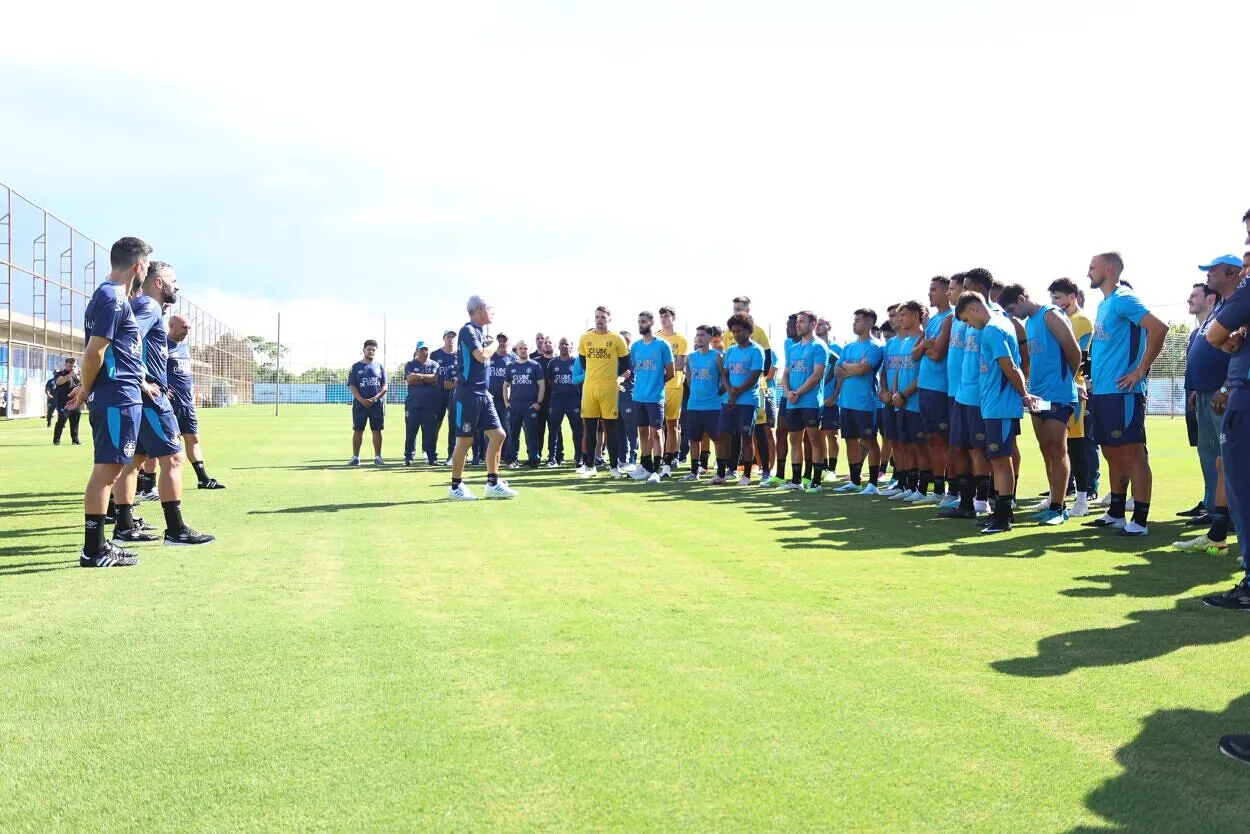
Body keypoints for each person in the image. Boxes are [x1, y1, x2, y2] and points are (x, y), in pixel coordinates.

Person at [106, 261, 215, 548]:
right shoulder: (150, 306)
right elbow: (126, 340)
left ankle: (124, 526)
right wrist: (142, 381)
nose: (176, 286)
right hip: (151, 397)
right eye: (172, 280)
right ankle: (176, 530)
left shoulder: (147, 307)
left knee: (134, 462)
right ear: (157, 282)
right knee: (174, 459)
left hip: (142, 396)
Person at [69, 237, 153, 567]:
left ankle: (99, 546)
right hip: (117, 397)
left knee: (113, 469)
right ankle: (94, 550)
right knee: (107, 471)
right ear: (138, 266)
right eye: (146, 264)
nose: (146, 269)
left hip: (121, 396)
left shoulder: (110, 296)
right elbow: (93, 353)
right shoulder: (114, 298)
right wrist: (87, 389)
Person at [1084, 252, 1168, 536]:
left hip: (1124, 394)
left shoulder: (1124, 298)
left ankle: (1140, 521)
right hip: (1103, 393)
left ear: (1108, 269)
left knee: (1133, 454)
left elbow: (1159, 327)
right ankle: (1116, 513)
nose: (1088, 273)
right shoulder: (1105, 304)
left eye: (1092, 267)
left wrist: (1140, 370)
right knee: (1110, 451)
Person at [999, 284, 1081, 524]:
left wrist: (1068, 380)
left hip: (1058, 395)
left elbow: (1073, 349)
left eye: (1014, 308)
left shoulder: (1050, 314)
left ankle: (1059, 506)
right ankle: (1053, 501)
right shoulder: (1030, 323)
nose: (1014, 315)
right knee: (1046, 448)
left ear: (1023, 298)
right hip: (1038, 396)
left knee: (1058, 448)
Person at [956, 291, 1026, 534]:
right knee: (997, 460)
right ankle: (1001, 513)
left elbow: (1009, 365)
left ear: (974, 309)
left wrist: (1025, 394)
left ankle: (1003, 518)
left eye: (967, 319)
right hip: (993, 405)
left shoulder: (993, 329)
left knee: (1000, 461)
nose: (968, 325)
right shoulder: (998, 325)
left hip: (1001, 405)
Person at [1186, 261, 1241, 524]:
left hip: (1225, 396)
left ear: (1231, 272)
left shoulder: (1238, 307)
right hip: (1206, 394)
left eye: (1213, 270)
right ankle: (1213, 509)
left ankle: (1228, 514)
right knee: (1208, 453)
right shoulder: (1220, 309)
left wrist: (1224, 387)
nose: (1208, 274)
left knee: (1226, 455)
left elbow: (1239, 353)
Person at [448, 295, 515, 499]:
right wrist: (495, 344)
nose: (493, 312)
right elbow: (481, 355)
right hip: (468, 392)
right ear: (479, 310)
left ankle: (492, 483)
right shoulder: (467, 330)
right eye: (490, 308)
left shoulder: (477, 332)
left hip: (483, 393)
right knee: (465, 441)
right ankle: (455, 487)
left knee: (498, 435)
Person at [1046, 279, 1092, 515]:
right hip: (1057, 389)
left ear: (1073, 296)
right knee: (1055, 445)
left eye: (1060, 298)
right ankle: (1057, 495)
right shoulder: (1059, 318)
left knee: (1075, 445)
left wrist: (1075, 383)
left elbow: (1076, 355)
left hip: (1075, 389)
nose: (1056, 303)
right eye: (1053, 298)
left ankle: (1082, 500)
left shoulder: (1080, 321)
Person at [165, 313, 225, 489]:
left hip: (187, 403)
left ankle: (203, 479)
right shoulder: (162, 345)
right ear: (172, 325)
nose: (187, 330)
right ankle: (145, 485)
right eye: (184, 327)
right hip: (170, 404)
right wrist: (162, 387)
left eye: (189, 328)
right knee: (163, 444)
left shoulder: (185, 348)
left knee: (193, 438)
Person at [832, 309, 885, 494]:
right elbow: (837, 370)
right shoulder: (848, 347)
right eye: (854, 320)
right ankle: (855, 481)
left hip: (865, 403)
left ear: (870, 322)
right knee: (851, 441)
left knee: (869, 441)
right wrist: (853, 367)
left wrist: (851, 367)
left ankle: (873, 484)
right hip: (846, 402)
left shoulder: (875, 346)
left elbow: (865, 369)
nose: (854, 324)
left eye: (858, 321)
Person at [577, 306, 630, 478]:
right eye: (597, 317)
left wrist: (614, 379)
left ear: (609, 319)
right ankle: (590, 466)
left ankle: (614, 467)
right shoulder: (585, 338)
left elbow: (625, 365)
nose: (599, 320)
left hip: (609, 389)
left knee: (610, 429)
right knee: (590, 428)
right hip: (590, 387)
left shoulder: (617, 339)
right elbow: (583, 361)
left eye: (603, 317)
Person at [916, 276, 953, 505]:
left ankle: (950, 488)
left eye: (933, 290)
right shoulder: (931, 322)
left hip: (940, 388)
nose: (929, 294)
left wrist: (928, 347)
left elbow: (937, 354)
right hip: (925, 388)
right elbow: (917, 351)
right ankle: (937, 487)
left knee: (944, 441)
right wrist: (927, 344)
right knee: (932, 440)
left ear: (946, 292)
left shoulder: (949, 318)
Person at [781, 311, 827, 492]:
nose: (797, 325)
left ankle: (816, 481)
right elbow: (785, 374)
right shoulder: (793, 348)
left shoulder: (819, 347)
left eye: (802, 321)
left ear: (813, 324)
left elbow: (817, 375)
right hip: (793, 401)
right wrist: (787, 392)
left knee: (814, 440)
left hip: (810, 402)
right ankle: (796, 480)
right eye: (797, 322)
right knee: (794, 440)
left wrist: (798, 392)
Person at [627, 312, 675, 482]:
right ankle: (645, 466)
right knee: (643, 433)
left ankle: (656, 469)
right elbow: (633, 369)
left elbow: (671, 371)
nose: (640, 324)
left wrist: (656, 384)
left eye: (644, 321)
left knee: (656, 433)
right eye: (639, 321)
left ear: (652, 323)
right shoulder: (635, 347)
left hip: (655, 398)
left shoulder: (662, 345)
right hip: (638, 396)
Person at [718, 313, 765, 486]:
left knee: (746, 437)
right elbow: (725, 374)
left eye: (739, 331)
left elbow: (754, 376)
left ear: (748, 330)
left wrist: (736, 391)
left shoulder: (756, 350)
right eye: (733, 332)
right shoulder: (730, 351)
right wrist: (730, 391)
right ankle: (721, 474)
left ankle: (746, 475)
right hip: (728, 401)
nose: (736, 335)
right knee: (723, 436)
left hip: (746, 402)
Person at [682, 325, 722, 482]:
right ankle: (694, 471)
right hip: (694, 405)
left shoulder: (717, 357)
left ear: (710, 338)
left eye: (702, 335)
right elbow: (690, 381)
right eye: (697, 335)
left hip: (713, 406)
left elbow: (724, 379)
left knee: (717, 439)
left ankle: (720, 471)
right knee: (693, 439)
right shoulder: (690, 358)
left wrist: (716, 394)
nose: (699, 338)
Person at [505, 340, 546, 467]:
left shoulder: (535, 366)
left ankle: (534, 458)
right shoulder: (511, 366)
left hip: (530, 404)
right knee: (513, 433)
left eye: (525, 348)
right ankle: (513, 459)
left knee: (532, 433)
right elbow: (506, 385)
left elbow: (542, 385)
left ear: (529, 349)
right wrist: (506, 401)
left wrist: (538, 402)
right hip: (515, 405)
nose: (523, 350)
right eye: (520, 348)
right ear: (517, 350)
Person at [657, 306, 688, 477]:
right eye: (661, 316)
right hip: (658, 387)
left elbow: (680, 364)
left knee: (672, 424)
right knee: (656, 425)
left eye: (666, 316)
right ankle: (660, 457)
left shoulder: (681, 339)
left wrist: (662, 368)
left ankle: (673, 455)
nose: (663, 319)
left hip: (675, 385)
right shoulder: (656, 337)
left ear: (673, 318)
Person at [348, 339, 387, 466]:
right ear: (363, 350)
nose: (371, 351)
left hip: (376, 404)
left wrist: (375, 399)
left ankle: (378, 457)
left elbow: (385, 386)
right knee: (358, 430)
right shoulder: (356, 366)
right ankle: (355, 457)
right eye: (369, 349)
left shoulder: (379, 366)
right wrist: (361, 400)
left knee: (377, 430)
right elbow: (352, 386)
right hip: (360, 405)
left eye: (373, 350)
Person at [403, 342, 442, 466]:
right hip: (413, 404)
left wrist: (418, 377)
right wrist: (426, 379)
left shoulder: (434, 364)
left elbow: (435, 379)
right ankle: (409, 457)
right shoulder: (410, 364)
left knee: (430, 432)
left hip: (430, 404)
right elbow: (409, 379)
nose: (425, 352)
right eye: (422, 349)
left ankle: (432, 457)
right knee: (411, 432)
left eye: (426, 349)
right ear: (417, 350)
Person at [546, 338, 582, 466]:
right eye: (562, 344)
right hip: (557, 400)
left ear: (571, 346)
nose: (564, 346)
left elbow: (581, 380)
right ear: (558, 346)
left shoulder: (577, 361)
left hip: (573, 400)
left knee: (577, 430)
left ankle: (579, 457)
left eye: (567, 344)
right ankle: (553, 458)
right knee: (553, 430)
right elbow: (549, 381)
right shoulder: (552, 363)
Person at [430, 330, 458, 464]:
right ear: (444, 338)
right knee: (436, 424)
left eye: (453, 337)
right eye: (448, 336)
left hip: (455, 395)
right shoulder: (435, 355)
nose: (451, 339)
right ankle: (430, 453)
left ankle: (454, 454)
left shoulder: (459, 355)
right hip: (438, 394)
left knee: (455, 425)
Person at [533, 334, 556, 464]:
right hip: (539, 402)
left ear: (554, 345)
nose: (547, 344)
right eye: (545, 342)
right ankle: (537, 456)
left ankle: (556, 456)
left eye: (550, 342)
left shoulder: (558, 360)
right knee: (538, 431)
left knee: (555, 431)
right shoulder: (535, 362)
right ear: (541, 345)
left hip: (556, 402)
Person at [52, 357, 82, 445]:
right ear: (66, 365)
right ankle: (56, 440)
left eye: (73, 366)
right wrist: (70, 375)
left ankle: (75, 439)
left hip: (75, 402)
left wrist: (81, 375)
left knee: (75, 420)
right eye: (69, 365)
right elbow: (59, 382)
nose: (71, 367)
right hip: (63, 402)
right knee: (62, 420)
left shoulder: (77, 376)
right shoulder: (60, 374)